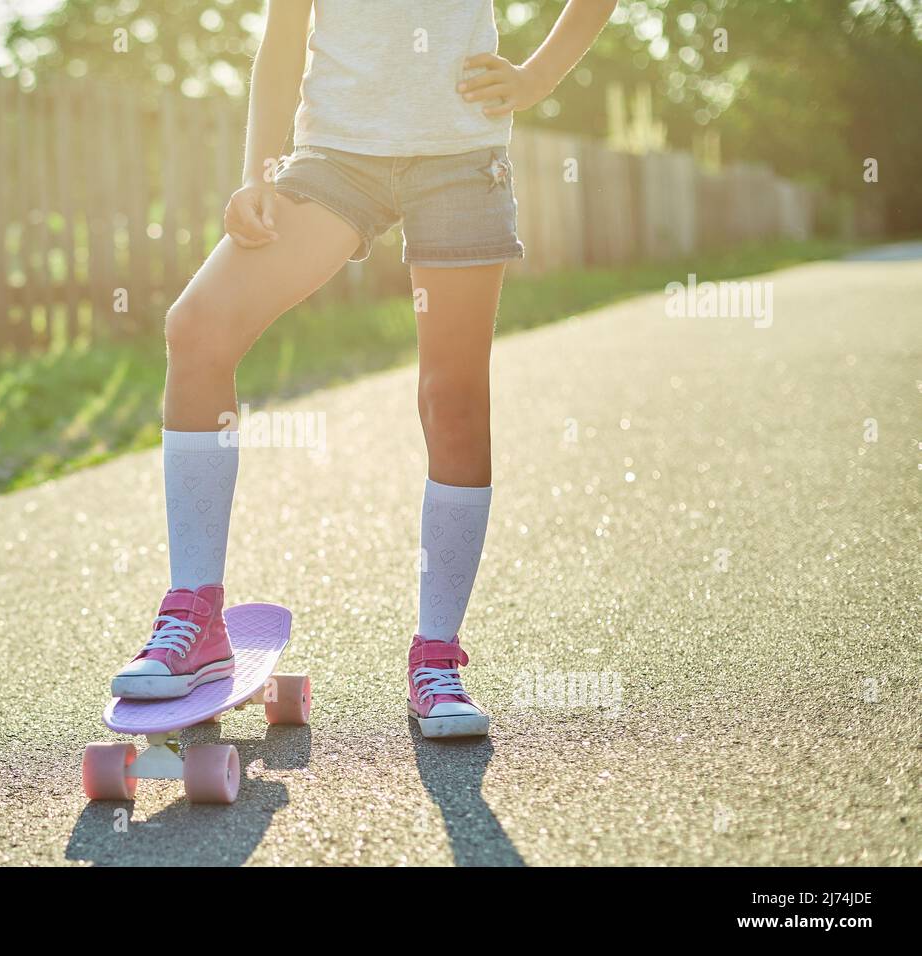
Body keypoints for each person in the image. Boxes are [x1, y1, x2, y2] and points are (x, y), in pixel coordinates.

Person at [111, 0, 617, 738]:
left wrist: (539, 75)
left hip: (460, 155)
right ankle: (196, 617)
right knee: (197, 328)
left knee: (453, 400)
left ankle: (437, 659)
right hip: (334, 158)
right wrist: (257, 172)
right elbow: (284, 38)